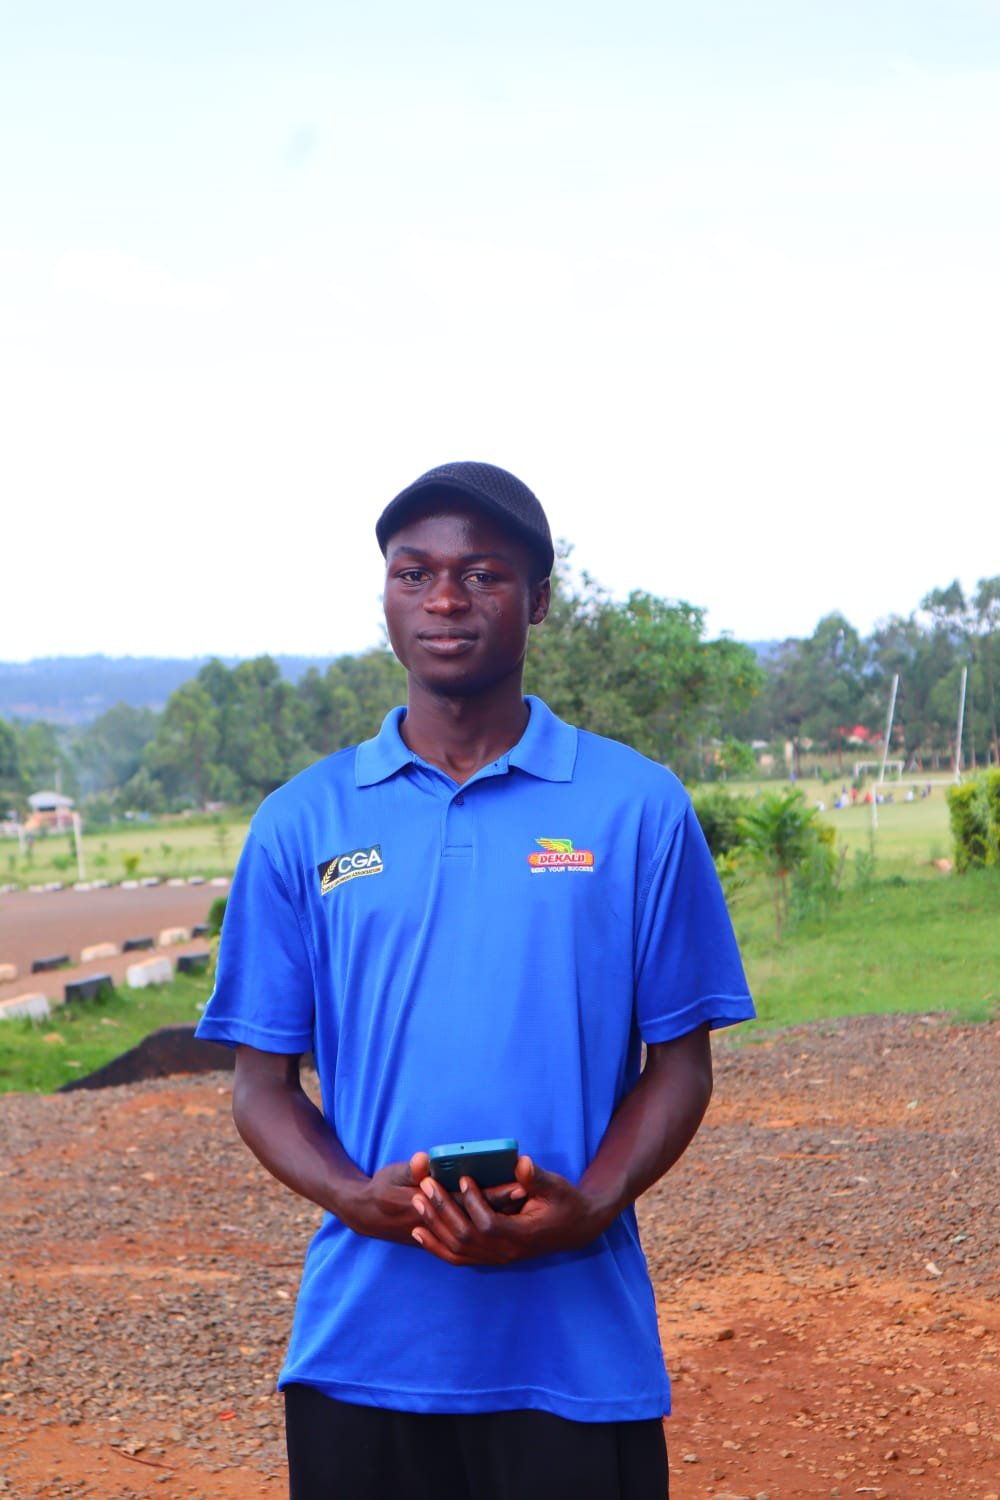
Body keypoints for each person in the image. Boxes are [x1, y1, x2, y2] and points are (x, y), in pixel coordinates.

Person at [196, 460, 755, 1500]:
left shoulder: (636, 807)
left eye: (482, 574)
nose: (444, 600)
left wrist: (590, 1202)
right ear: (386, 597)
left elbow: (681, 1064)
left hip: (576, 1360)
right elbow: (260, 1085)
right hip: (363, 1357)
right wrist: (352, 1196)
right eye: (413, 574)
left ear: (537, 600)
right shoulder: (302, 822)